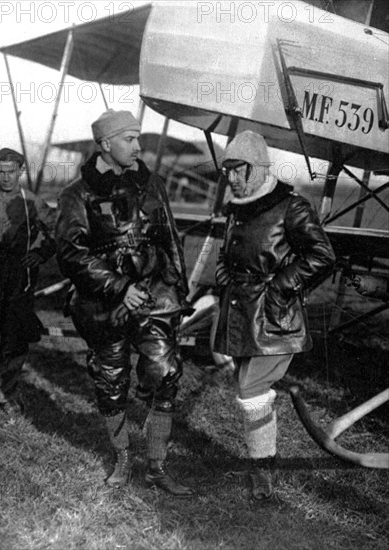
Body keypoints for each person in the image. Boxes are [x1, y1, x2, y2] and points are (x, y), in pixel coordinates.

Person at [55, 110, 193, 496]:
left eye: (138, 138)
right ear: (105, 145)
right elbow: (71, 255)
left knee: (165, 373)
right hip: (103, 305)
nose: (138, 146)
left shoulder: (151, 185)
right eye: (129, 139)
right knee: (111, 381)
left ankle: (157, 466)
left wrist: (178, 293)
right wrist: (118, 287)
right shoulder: (75, 195)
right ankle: (122, 459)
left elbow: (170, 239)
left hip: (153, 298)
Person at [213, 131, 335, 500]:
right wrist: (223, 276)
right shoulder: (238, 205)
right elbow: (227, 254)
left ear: (258, 167)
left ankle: (263, 479)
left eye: (238, 170)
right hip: (240, 312)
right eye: (227, 171)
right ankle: (263, 466)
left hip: (275, 320)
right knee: (250, 387)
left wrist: (281, 286)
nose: (231, 178)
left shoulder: (291, 206)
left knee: (250, 391)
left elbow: (322, 255)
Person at [0, 148, 56, 415]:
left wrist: (40, 253)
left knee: (16, 336)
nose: (5, 177)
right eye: (0, 171)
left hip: (19, 275)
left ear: (20, 171)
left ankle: (6, 393)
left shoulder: (32, 202)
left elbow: (57, 231)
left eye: (10, 171)